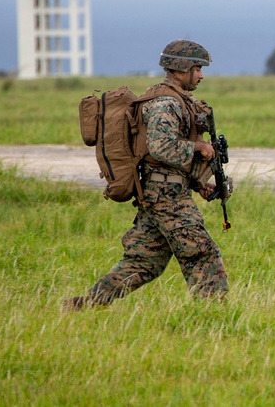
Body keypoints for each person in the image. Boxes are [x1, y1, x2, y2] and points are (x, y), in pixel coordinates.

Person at [65, 40, 229, 310]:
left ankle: (82, 306)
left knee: (143, 262)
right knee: (202, 253)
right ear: (181, 67)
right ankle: (216, 316)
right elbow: (161, 147)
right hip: (167, 197)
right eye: (197, 68)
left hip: (161, 193)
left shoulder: (173, 99)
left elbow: (163, 158)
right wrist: (198, 147)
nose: (201, 75)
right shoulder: (165, 103)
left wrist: (200, 184)